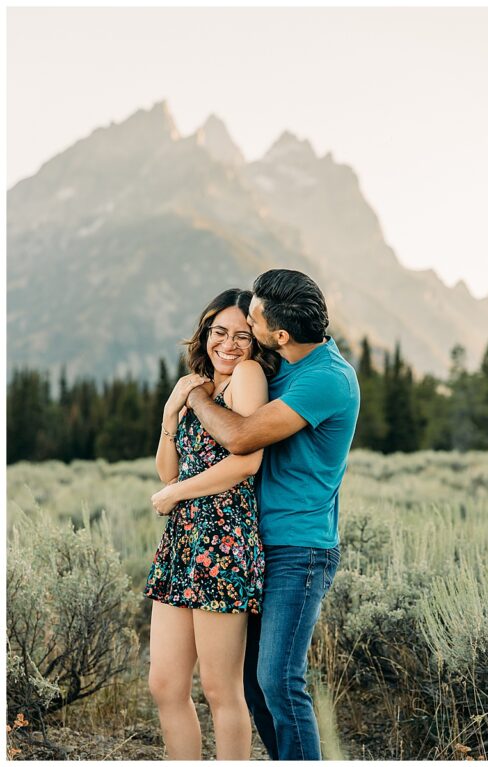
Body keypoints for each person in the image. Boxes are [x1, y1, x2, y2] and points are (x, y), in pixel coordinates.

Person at [181, 269, 360, 760]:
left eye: (254, 320)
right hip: (255, 544)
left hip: (299, 548)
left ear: (280, 334)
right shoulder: (284, 361)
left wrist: (193, 396)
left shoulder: (327, 379)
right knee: (253, 683)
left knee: (278, 679)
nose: (247, 323)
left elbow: (240, 438)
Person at [145, 288, 277, 760]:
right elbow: (167, 469)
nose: (230, 344)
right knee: (165, 684)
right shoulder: (198, 384)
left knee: (221, 690)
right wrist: (170, 411)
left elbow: (247, 461)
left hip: (223, 541)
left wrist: (176, 494)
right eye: (219, 332)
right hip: (183, 541)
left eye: (243, 335)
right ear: (205, 333)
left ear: (255, 342)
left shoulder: (248, 375)